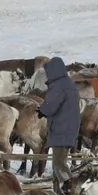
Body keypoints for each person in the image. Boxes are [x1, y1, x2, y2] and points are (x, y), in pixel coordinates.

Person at [38, 57, 80, 186]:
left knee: (59, 163)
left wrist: (42, 110)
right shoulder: (68, 83)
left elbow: (50, 105)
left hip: (61, 129)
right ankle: (59, 189)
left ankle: (70, 186)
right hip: (68, 128)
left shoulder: (58, 86)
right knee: (60, 161)